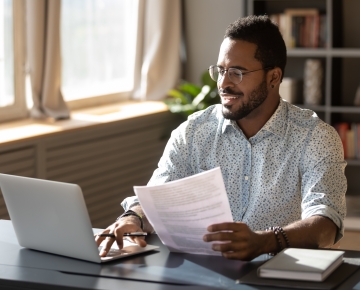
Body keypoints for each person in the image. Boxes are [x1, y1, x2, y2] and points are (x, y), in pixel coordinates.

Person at [95, 15, 346, 261]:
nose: (224, 83)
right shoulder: (194, 131)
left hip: (279, 275)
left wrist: (265, 242)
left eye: (237, 72)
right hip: (204, 272)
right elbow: (157, 198)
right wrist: (132, 218)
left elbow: (327, 222)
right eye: (221, 70)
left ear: (273, 77)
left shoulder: (315, 137)